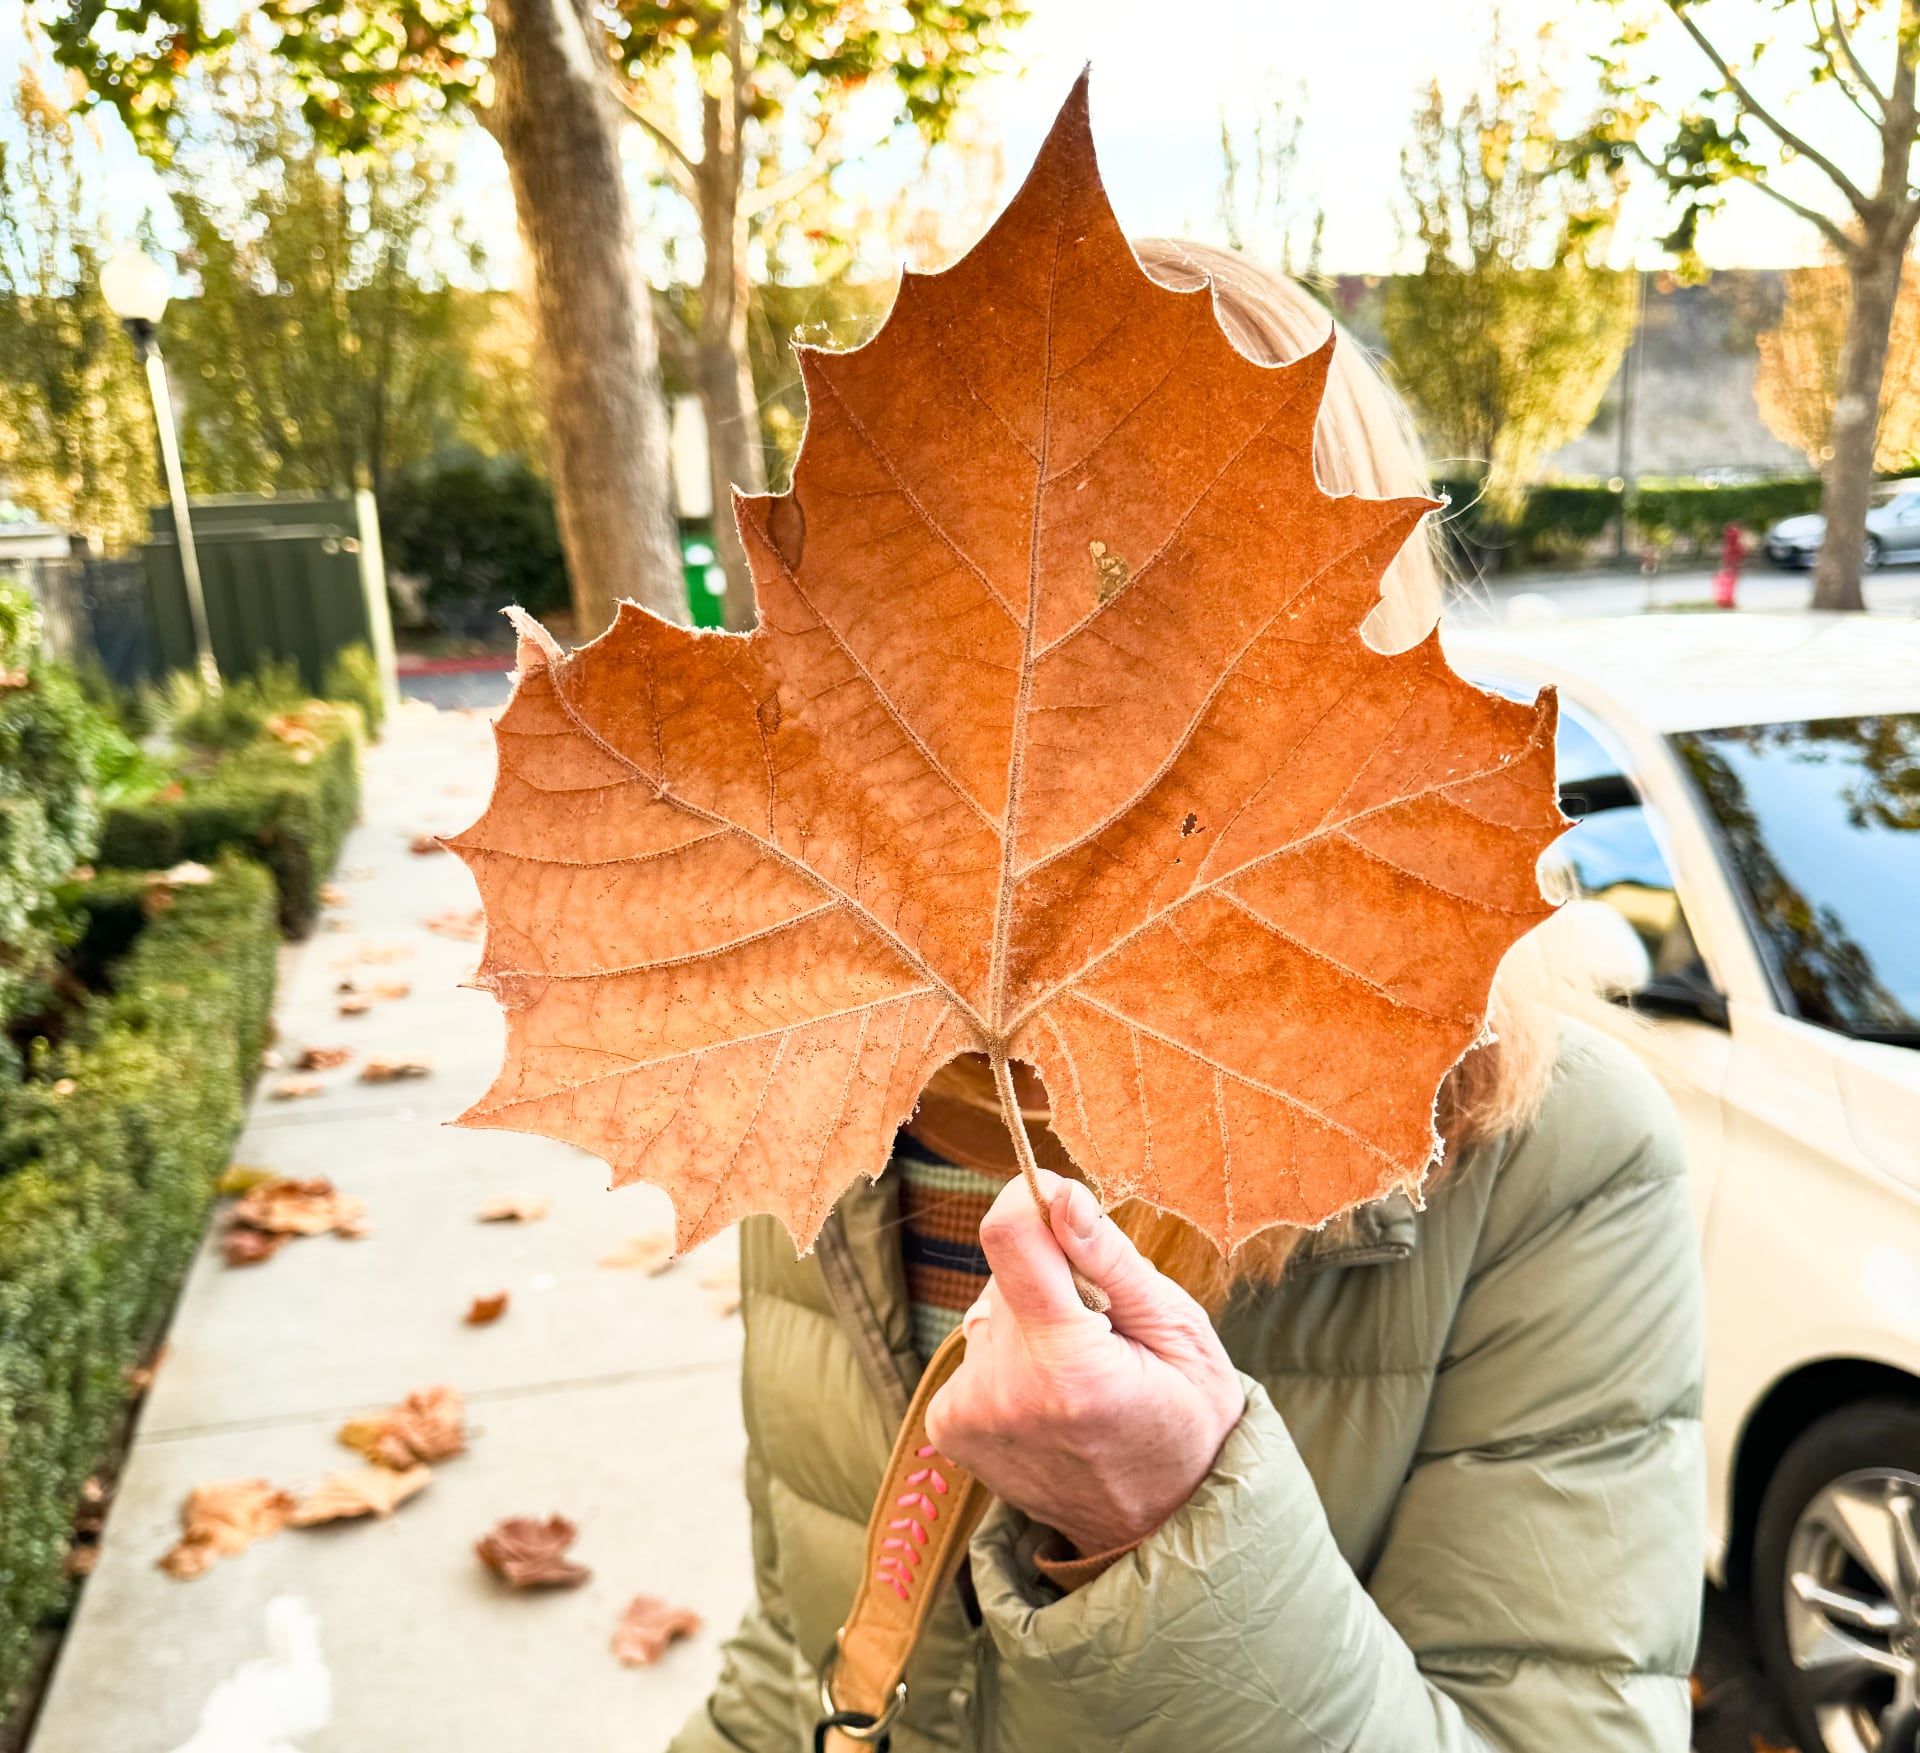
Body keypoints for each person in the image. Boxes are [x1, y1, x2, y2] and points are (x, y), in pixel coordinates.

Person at [668, 241, 1706, 1753]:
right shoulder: (827, 1070)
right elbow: (797, 1654)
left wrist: (1166, 1524)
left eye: (1151, 583)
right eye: (934, 571)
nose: (1037, 669)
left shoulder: (1553, 1155)